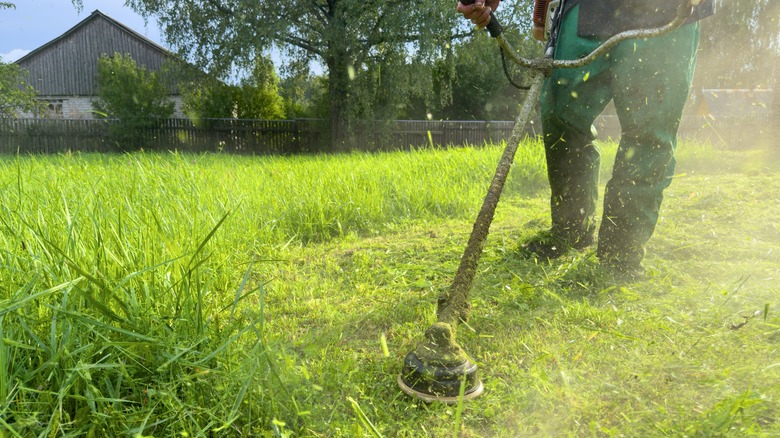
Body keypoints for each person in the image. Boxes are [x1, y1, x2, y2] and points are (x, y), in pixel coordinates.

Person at [457, 0, 713, 278]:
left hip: (665, 8)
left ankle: (621, 253)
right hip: (586, 7)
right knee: (561, 113)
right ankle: (571, 230)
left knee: (648, 133)